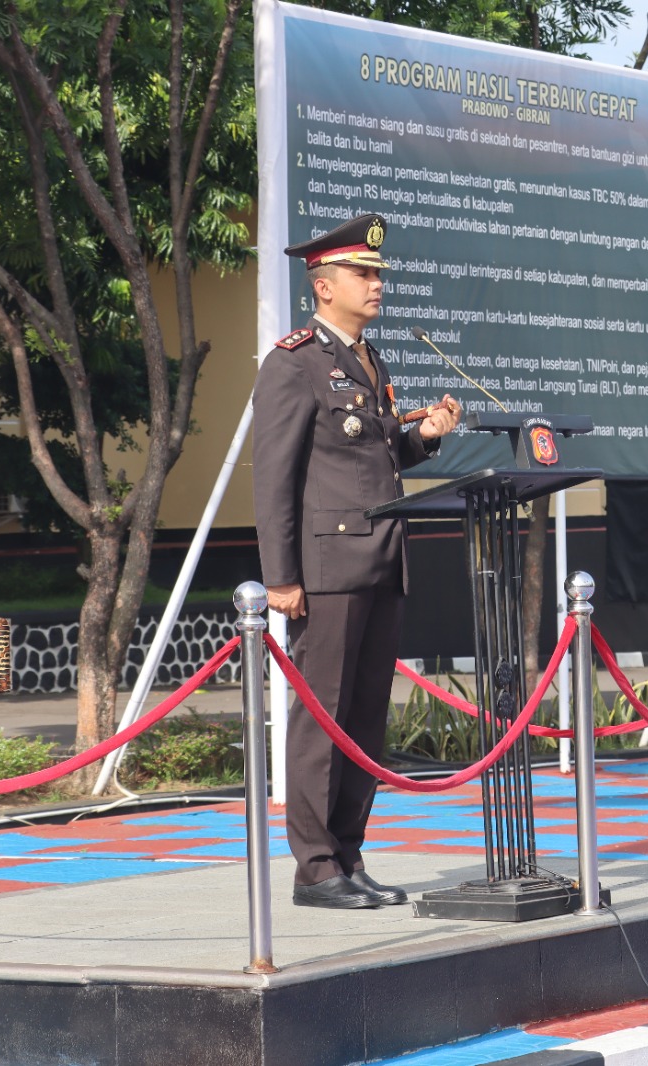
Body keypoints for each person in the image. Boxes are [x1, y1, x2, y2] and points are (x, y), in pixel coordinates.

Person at [252, 213, 462, 910]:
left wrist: (425, 436)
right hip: (326, 568)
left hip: (381, 558)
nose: (377, 285)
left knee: (367, 715)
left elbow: (377, 457)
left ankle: (347, 852)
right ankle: (314, 867)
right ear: (324, 283)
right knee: (325, 716)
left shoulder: (369, 359)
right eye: (364, 274)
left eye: (378, 275)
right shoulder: (295, 361)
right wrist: (281, 575)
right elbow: (275, 476)